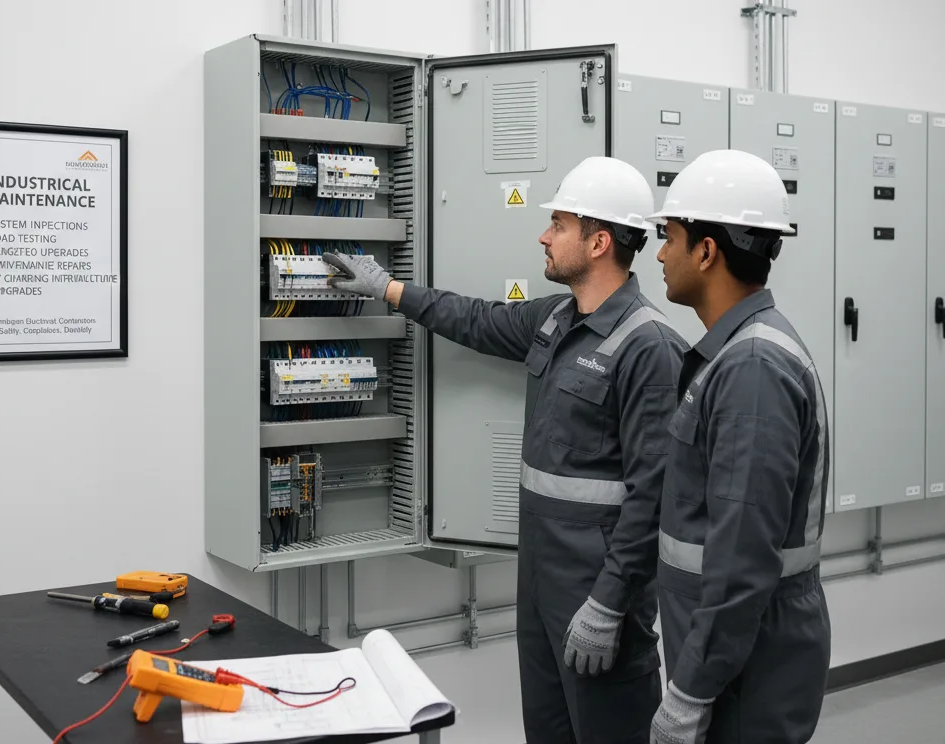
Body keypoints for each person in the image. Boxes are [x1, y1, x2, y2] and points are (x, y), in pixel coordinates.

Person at [323, 156, 688, 744]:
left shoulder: (649, 348)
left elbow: (655, 497)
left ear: (598, 242)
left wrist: (609, 606)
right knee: (547, 732)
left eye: (559, 225)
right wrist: (387, 289)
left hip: (597, 591)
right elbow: (476, 319)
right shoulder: (555, 318)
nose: (544, 235)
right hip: (541, 578)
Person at [645, 150, 832, 744]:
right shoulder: (736, 353)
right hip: (733, 653)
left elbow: (743, 558)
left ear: (706, 251)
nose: (660, 253)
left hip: (745, 668)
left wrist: (690, 691)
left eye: (668, 236)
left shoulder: (752, 368)